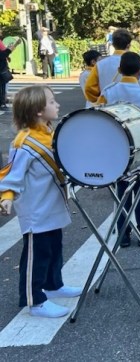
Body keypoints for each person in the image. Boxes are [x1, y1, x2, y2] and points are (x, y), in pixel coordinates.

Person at [0, 86, 82, 318]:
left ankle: (53, 285)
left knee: (54, 248)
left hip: (51, 205)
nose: (57, 105)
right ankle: (34, 299)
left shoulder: (48, 132)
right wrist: (6, 198)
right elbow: (11, 174)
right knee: (37, 254)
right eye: (52, 102)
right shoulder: (23, 142)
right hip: (36, 209)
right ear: (38, 110)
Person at [96, 52, 140, 248]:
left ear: (119, 70)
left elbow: (100, 119)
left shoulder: (109, 92)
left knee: (121, 190)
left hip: (116, 148)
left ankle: (123, 234)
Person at [84, 28, 140, 104]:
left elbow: (89, 89)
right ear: (129, 45)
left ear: (113, 45)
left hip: (108, 108)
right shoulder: (135, 62)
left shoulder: (100, 65)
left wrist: (101, 99)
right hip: (134, 108)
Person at [0, 37, 21, 110]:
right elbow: (2, 54)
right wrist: (10, 49)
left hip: (2, 68)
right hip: (1, 69)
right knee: (2, 87)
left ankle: (3, 101)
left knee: (3, 86)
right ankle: (2, 103)